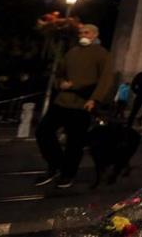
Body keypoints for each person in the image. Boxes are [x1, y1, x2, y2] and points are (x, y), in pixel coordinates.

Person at [35, 24, 113, 188]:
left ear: (95, 35)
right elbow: (59, 74)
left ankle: (68, 173)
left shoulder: (102, 54)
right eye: (80, 32)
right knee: (43, 131)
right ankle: (56, 163)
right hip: (62, 101)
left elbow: (105, 79)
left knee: (74, 142)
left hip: (82, 104)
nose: (82, 35)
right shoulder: (72, 52)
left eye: (86, 32)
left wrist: (94, 100)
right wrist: (60, 83)